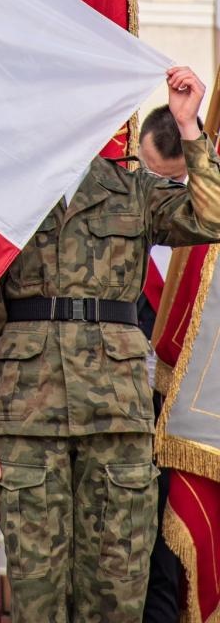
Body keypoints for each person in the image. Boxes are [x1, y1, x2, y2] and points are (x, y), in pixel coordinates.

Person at [0, 66, 220, 623]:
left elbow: (211, 215)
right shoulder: (10, 192)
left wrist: (188, 125)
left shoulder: (132, 188)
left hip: (114, 418)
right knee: (35, 602)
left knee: (115, 598)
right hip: (27, 418)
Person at [136, 106, 190, 623]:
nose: (161, 192)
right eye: (152, 175)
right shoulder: (123, 210)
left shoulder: (199, 224)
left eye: (173, 182)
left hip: (190, 412)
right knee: (147, 554)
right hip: (130, 408)